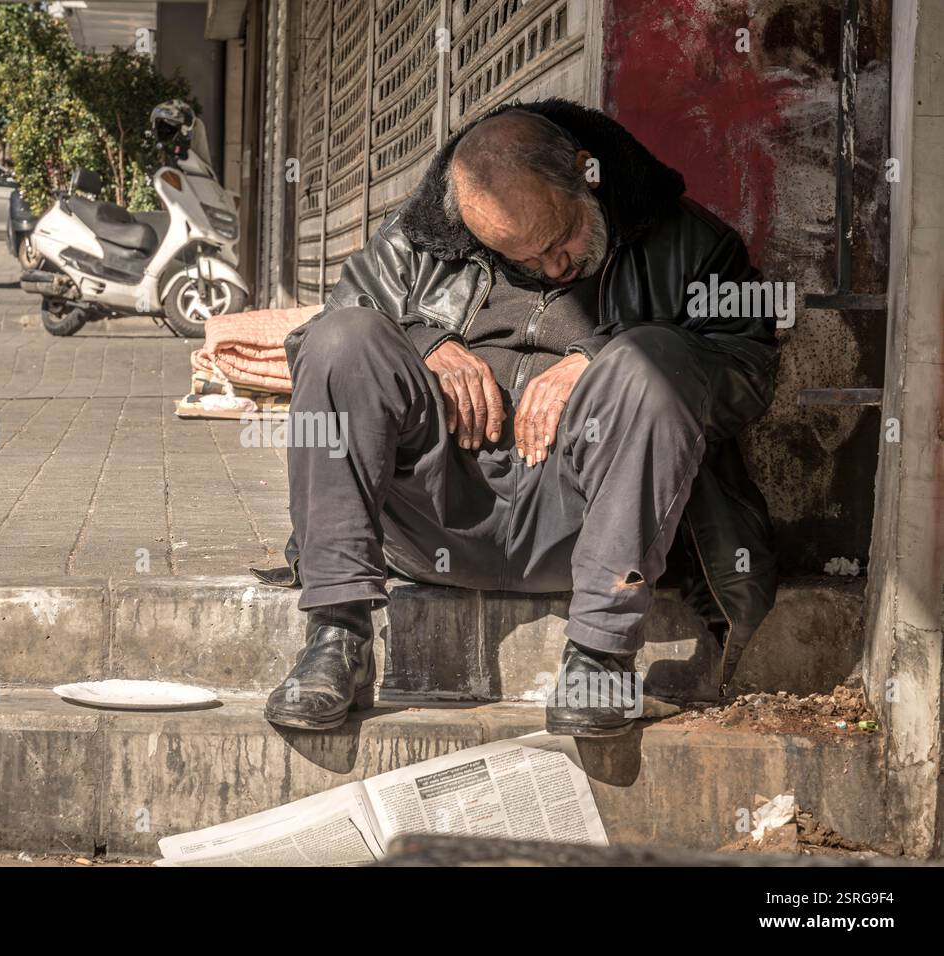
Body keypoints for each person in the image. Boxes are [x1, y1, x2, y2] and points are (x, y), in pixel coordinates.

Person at [256, 99, 780, 737]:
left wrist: (606, 353)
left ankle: (599, 655)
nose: (553, 268)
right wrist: (424, 341)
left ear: (588, 175)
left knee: (650, 361)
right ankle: (337, 635)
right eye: (521, 260)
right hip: (434, 513)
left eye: (561, 241)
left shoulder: (691, 244)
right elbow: (314, 344)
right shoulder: (418, 237)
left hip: (584, 519)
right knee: (341, 340)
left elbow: (749, 369)